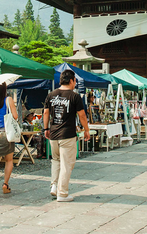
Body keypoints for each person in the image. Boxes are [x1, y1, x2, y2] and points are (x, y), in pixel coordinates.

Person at [43, 69, 90, 202]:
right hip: (67, 135)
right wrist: (86, 129)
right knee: (67, 164)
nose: (75, 83)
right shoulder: (74, 97)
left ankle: (54, 186)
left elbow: (46, 113)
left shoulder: (51, 95)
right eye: (75, 80)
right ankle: (62, 193)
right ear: (71, 81)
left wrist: (46, 128)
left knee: (56, 160)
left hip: (53, 134)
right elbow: (82, 115)